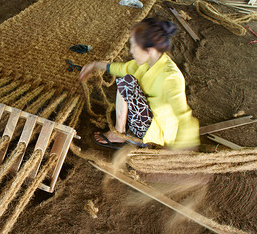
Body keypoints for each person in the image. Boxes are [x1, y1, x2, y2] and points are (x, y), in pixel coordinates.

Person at [79, 18, 199, 150]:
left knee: (126, 82)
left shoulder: (171, 78)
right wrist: (95, 65)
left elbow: (183, 115)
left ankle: (119, 134)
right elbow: (122, 68)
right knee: (127, 79)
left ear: (150, 50)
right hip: (144, 115)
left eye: (134, 46)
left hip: (154, 132)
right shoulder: (148, 62)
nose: (131, 51)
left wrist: (180, 149)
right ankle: (127, 126)